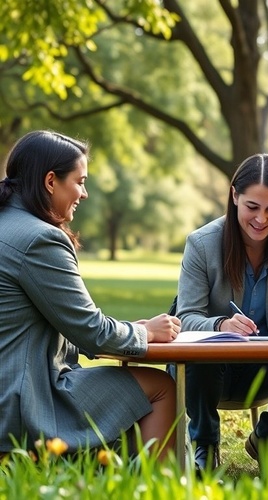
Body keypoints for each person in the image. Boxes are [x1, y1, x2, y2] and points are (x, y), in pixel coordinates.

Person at [0, 130, 181, 460]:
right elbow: (92, 333)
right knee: (162, 389)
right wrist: (146, 332)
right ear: (51, 181)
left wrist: (127, 329)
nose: (84, 193)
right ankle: (157, 489)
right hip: (21, 403)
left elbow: (66, 325)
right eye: (80, 181)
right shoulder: (40, 240)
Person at [175, 153, 268, 472]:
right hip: (205, 372)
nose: (261, 219)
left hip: (266, 369)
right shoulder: (201, 244)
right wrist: (221, 325)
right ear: (234, 197)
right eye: (252, 207)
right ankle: (204, 443)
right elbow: (185, 317)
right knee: (200, 355)